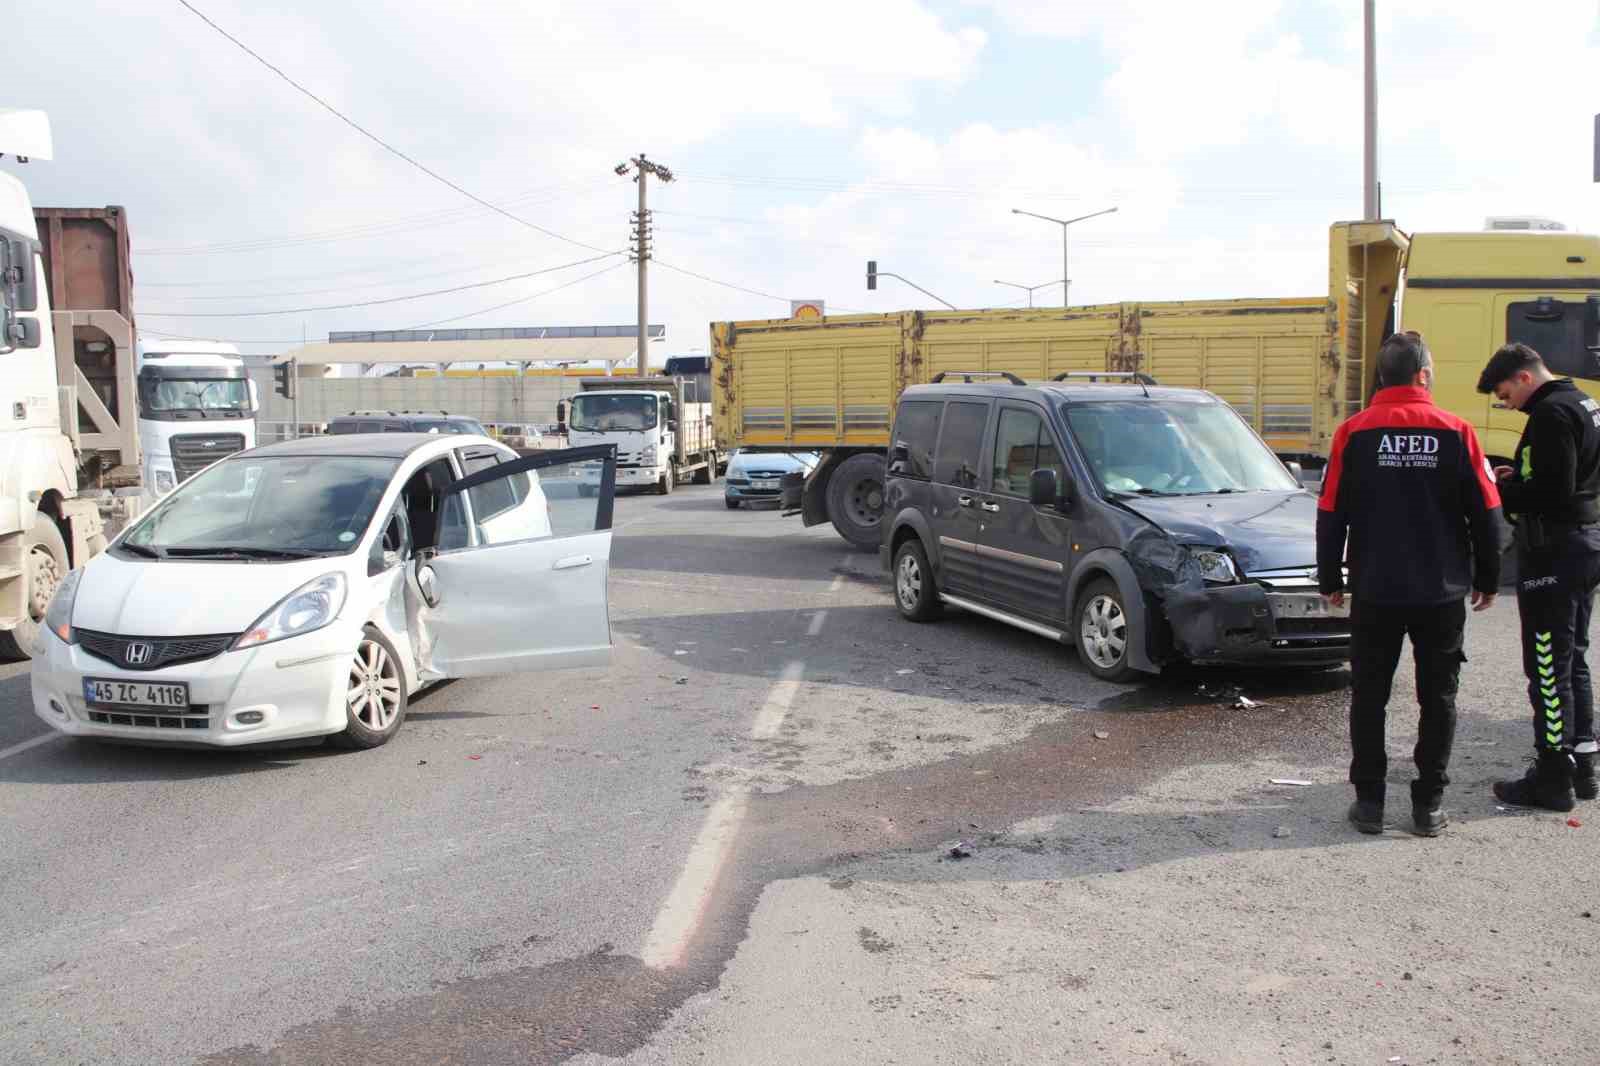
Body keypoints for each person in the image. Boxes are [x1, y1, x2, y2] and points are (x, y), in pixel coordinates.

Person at [1318, 331, 1503, 836]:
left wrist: (1330, 575)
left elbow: (1330, 508)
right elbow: (1487, 512)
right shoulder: (1457, 430)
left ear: (1382, 375)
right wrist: (1488, 577)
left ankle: (1371, 803)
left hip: (1376, 588)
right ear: (1423, 375)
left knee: (1369, 696)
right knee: (1438, 697)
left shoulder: (1353, 432)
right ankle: (1429, 806)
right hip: (1440, 592)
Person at [1476, 343, 1600, 811]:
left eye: (1505, 394)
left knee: (1547, 668)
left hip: (1553, 553)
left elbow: (1553, 492)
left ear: (1525, 377)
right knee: (1575, 661)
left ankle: (1551, 778)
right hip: (1584, 544)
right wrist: (1522, 478)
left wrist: (1503, 487)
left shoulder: (1549, 414)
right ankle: (1583, 766)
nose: (1506, 404)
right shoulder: (1585, 402)